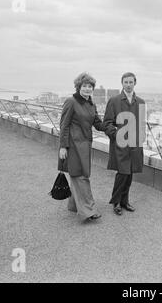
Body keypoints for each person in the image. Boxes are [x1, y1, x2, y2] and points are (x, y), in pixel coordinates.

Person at [58, 72, 106, 222]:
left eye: (90, 86)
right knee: (81, 176)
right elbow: (64, 125)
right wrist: (63, 147)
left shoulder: (91, 104)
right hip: (73, 145)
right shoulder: (71, 102)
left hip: (85, 144)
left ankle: (74, 205)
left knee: (78, 174)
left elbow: (97, 123)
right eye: (84, 86)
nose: (87, 89)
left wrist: (112, 125)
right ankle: (88, 210)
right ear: (79, 87)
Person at [103, 72, 146, 215]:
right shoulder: (114, 101)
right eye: (126, 82)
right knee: (122, 173)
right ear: (122, 83)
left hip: (134, 143)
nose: (128, 85)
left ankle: (125, 201)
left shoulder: (140, 102)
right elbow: (107, 123)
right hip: (120, 143)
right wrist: (116, 135)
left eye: (131, 82)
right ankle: (116, 202)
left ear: (135, 83)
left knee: (130, 174)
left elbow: (141, 123)